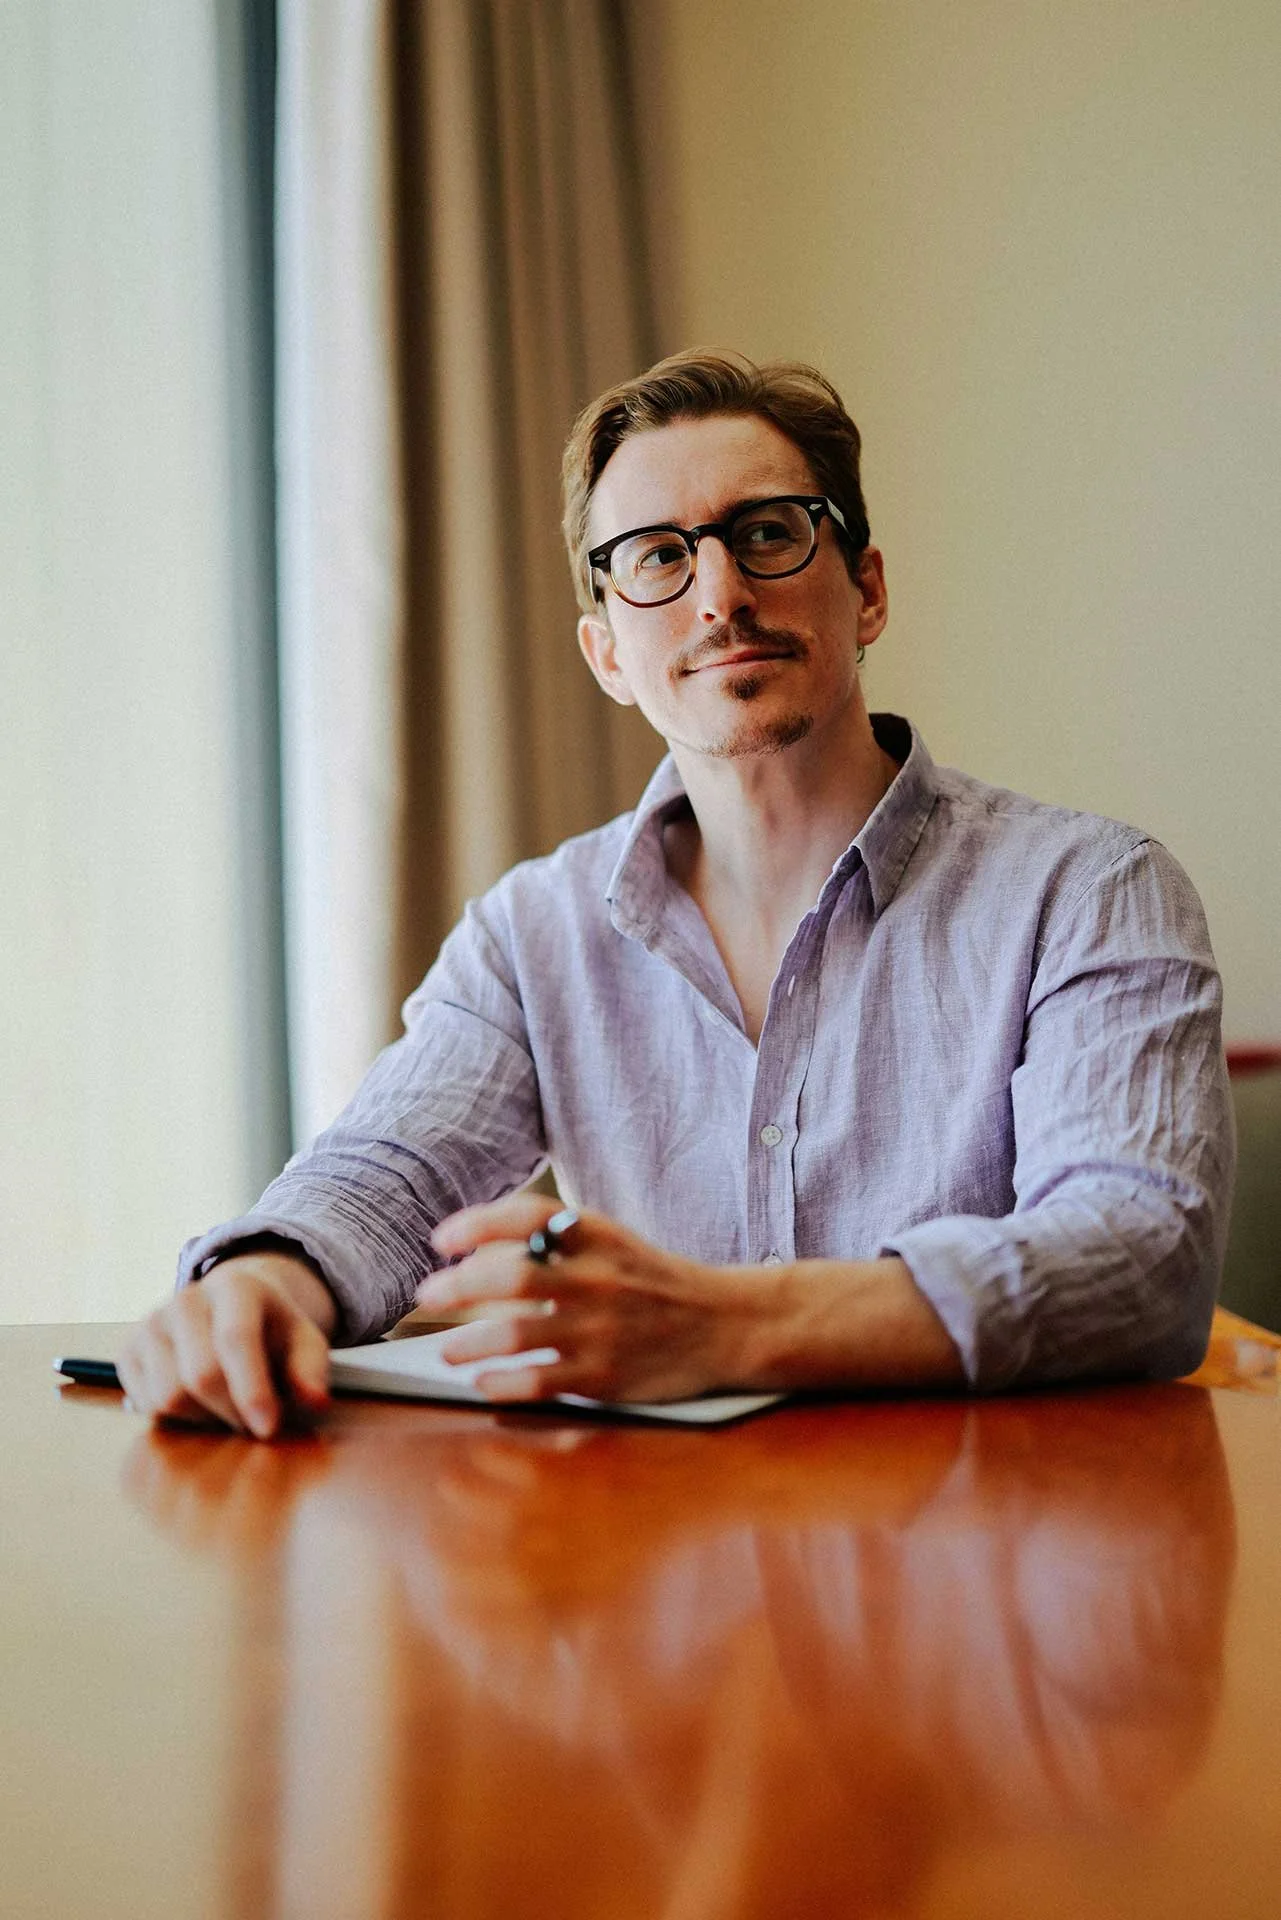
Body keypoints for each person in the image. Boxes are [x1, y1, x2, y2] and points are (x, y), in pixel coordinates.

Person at [119, 350, 1234, 1438]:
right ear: (606, 654)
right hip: (661, 1571)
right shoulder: (530, 932)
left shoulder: (1093, 890)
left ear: (869, 590)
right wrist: (269, 1273)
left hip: (999, 1557)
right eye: (658, 556)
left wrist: (723, 1324)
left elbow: (1142, 1256)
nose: (722, 596)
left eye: (766, 534)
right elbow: (392, 1174)